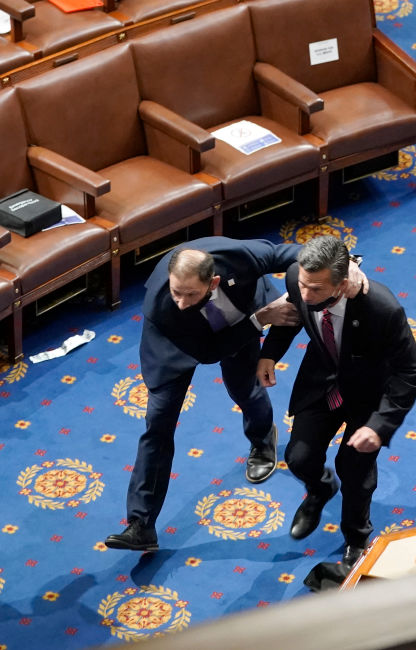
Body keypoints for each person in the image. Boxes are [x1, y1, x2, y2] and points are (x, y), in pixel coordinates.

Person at [105, 236, 366, 553]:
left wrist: (343, 263)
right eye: (177, 292)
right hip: (175, 350)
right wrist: (261, 319)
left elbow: (282, 253)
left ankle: (261, 438)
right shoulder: (166, 306)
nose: (182, 300)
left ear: (213, 280)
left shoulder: (234, 256)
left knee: (243, 388)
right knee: (157, 426)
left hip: (237, 319)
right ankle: (141, 524)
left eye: (190, 293)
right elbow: (208, 351)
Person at [257, 235, 416, 567]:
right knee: (299, 458)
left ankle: (357, 538)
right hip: (321, 383)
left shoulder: (382, 308)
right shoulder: (300, 279)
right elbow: (291, 315)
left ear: (342, 284)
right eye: (302, 285)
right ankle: (320, 489)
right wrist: (270, 355)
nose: (305, 295)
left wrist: (379, 426)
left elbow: (410, 371)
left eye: (316, 289)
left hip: (369, 396)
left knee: (355, 470)